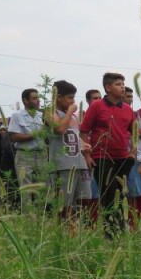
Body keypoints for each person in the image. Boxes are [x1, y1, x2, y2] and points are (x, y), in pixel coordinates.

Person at [80, 72, 137, 239]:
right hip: (102, 157)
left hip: (123, 158)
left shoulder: (127, 109)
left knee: (121, 194)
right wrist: (88, 155)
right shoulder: (97, 106)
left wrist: (133, 153)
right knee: (109, 195)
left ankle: (119, 230)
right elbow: (84, 131)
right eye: (119, 84)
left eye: (123, 83)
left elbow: (134, 131)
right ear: (108, 87)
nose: (123, 87)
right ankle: (111, 233)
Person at [47, 80, 92, 231]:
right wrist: (68, 112)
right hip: (63, 166)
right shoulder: (50, 112)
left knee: (84, 199)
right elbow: (59, 129)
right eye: (70, 98)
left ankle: (78, 229)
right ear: (58, 97)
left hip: (79, 163)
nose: (73, 102)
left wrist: (83, 146)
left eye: (74, 98)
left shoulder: (73, 118)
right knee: (64, 203)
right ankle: (64, 230)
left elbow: (73, 136)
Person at [8, 88, 47, 207]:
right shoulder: (17, 116)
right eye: (34, 98)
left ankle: (43, 217)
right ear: (25, 100)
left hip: (41, 154)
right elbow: (14, 136)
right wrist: (35, 135)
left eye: (38, 98)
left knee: (44, 186)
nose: (38, 101)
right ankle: (28, 218)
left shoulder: (42, 116)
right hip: (25, 155)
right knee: (26, 189)